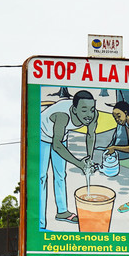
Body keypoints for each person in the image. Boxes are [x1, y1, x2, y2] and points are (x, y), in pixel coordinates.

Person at [39, 90, 98, 229]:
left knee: (60, 175)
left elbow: (90, 135)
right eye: (84, 110)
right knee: (41, 178)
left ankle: (62, 212)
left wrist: (89, 158)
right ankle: (40, 223)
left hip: (60, 137)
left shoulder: (93, 115)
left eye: (91, 109)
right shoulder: (63, 116)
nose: (89, 114)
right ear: (74, 109)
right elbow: (57, 145)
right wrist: (79, 164)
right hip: (42, 134)